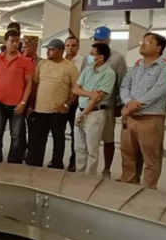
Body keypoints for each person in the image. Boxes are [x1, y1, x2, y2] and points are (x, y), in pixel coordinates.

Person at [119, 32, 166, 189]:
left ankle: (149, 189)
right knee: (128, 154)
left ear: (158, 48)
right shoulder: (136, 67)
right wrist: (128, 102)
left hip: (150, 120)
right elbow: (124, 86)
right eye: (142, 41)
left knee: (151, 158)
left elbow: (158, 91)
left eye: (149, 42)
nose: (143, 44)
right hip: (131, 118)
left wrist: (136, 104)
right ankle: (128, 183)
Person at [27, 39, 79, 169]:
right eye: (47, 49)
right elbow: (35, 85)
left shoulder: (70, 67)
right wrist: (31, 105)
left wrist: (66, 105)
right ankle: (35, 162)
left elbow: (76, 90)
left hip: (57, 111)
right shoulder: (42, 64)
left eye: (52, 49)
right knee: (37, 139)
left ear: (61, 51)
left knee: (58, 139)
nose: (48, 52)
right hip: (40, 110)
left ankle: (56, 163)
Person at [0, 29, 34, 163]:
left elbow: (29, 84)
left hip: (17, 105)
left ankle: (13, 161)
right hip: (0, 103)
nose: (15, 44)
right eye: (12, 41)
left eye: (17, 41)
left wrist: (23, 103)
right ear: (5, 41)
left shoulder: (25, 61)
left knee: (16, 136)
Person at [71, 42, 116, 175]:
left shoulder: (109, 73)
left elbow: (98, 98)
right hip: (80, 110)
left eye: (92, 54)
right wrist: (89, 93)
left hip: (94, 114)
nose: (89, 56)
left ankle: (89, 177)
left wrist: (83, 114)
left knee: (92, 149)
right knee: (79, 147)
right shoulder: (88, 70)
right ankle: (79, 173)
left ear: (100, 57)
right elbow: (75, 89)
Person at [91, 26, 128, 178]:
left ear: (109, 40)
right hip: (89, 105)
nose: (98, 42)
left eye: (102, 40)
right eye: (96, 39)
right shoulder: (90, 57)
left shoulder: (117, 58)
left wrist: (120, 104)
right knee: (89, 139)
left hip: (107, 106)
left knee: (108, 139)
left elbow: (122, 82)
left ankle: (107, 169)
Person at [63, 34, 87, 171]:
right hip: (60, 101)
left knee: (75, 134)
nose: (70, 48)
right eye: (68, 45)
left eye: (73, 45)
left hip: (76, 102)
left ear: (78, 47)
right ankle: (57, 159)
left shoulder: (83, 62)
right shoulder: (60, 60)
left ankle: (74, 161)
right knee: (58, 132)